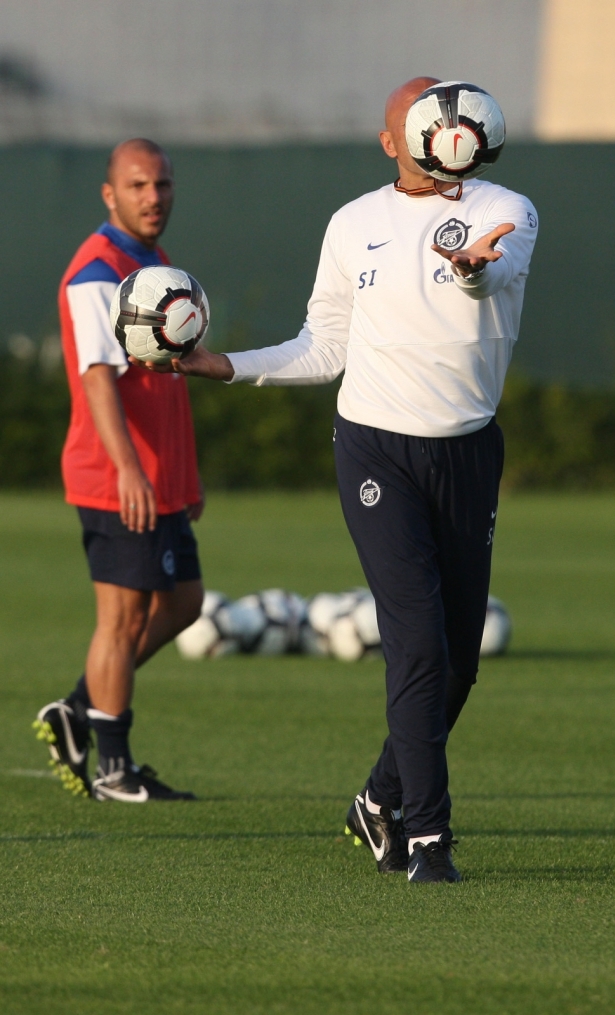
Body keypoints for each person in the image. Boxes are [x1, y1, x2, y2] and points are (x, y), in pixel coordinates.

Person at [137, 77, 538, 878]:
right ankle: (425, 837)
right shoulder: (354, 223)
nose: (439, 128)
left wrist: (467, 268)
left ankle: (379, 797)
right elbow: (323, 345)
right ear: (393, 141)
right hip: (375, 451)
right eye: (419, 121)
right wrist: (227, 365)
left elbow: (493, 276)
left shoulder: (509, 208)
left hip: (466, 450)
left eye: (449, 114)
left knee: (458, 663)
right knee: (417, 645)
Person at [34, 139, 204, 803]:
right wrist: (131, 470)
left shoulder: (152, 260)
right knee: (123, 618)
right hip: (116, 476)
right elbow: (99, 380)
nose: (153, 197)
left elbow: (158, 383)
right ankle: (112, 769)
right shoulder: (97, 271)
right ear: (109, 194)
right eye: (137, 185)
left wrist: (182, 476)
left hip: (161, 477)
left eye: (162, 183)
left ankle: (77, 708)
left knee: (183, 602)